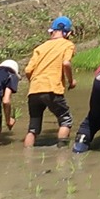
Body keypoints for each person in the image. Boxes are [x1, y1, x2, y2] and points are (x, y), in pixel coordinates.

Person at [20, 16, 76, 148]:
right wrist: (71, 81)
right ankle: (62, 152)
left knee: (33, 127)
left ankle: (27, 154)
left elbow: (28, 70)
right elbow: (66, 63)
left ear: (52, 31)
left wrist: (35, 83)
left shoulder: (40, 47)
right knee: (65, 120)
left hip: (34, 90)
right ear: (67, 33)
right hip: (52, 89)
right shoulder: (68, 45)